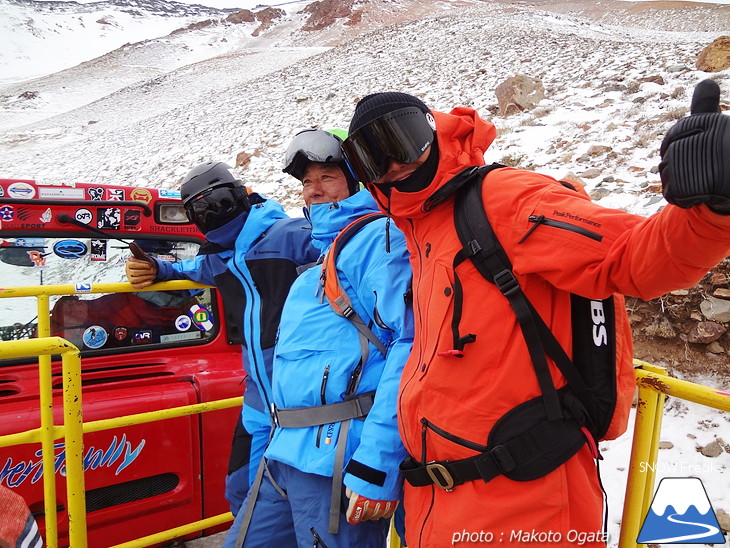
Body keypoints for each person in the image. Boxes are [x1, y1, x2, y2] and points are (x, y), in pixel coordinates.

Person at [341, 82, 730, 547]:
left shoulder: (503, 199)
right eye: (373, 157)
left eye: (401, 141)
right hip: (440, 502)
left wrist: (710, 210)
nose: (395, 166)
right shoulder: (418, 229)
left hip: (526, 498)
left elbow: (632, 259)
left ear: (432, 130)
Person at [223, 129, 413, 548]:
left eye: (328, 176)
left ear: (358, 181)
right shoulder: (318, 262)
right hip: (284, 453)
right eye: (307, 182)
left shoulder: (379, 242)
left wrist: (377, 463)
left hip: (337, 459)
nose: (314, 190)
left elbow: (410, 345)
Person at [125, 162, 319, 515]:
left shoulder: (291, 235)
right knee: (241, 492)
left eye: (220, 202)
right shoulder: (219, 257)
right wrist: (160, 269)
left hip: (305, 407)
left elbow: (349, 248)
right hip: (259, 406)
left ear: (242, 195)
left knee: (305, 508)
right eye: (201, 210)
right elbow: (195, 270)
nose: (213, 214)